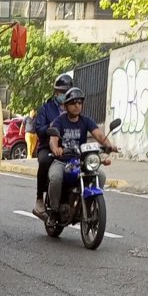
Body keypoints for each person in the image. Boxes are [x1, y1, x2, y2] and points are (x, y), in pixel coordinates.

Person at [47, 87, 116, 225]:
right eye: (73, 103)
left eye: (79, 102)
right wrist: (56, 149)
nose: (77, 105)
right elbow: (53, 139)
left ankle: (90, 204)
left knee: (100, 175)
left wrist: (109, 145)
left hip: (80, 161)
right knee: (55, 177)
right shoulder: (59, 121)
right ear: (66, 106)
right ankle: (53, 211)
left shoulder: (86, 120)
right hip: (62, 161)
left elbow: (99, 135)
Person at [32, 73, 73, 217]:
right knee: (45, 161)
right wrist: (50, 126)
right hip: (47, 146)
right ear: (56, 92)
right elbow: (38, 129)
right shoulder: (46, 108)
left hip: (69, 147)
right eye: (61, 92)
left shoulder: (73, 108)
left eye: (66, 92)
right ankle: (39, 199)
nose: (63, 95)